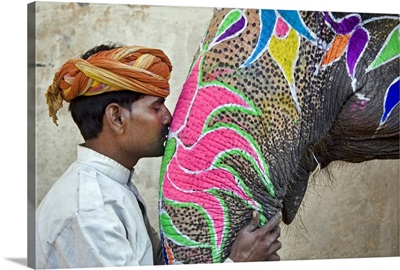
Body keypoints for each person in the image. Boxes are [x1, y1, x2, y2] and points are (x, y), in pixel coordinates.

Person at [36, 42, 282, 268]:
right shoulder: (91, 212)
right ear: (117, 117)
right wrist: (237, 261)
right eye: (156, 107)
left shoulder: (114, 188)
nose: (168, 117)